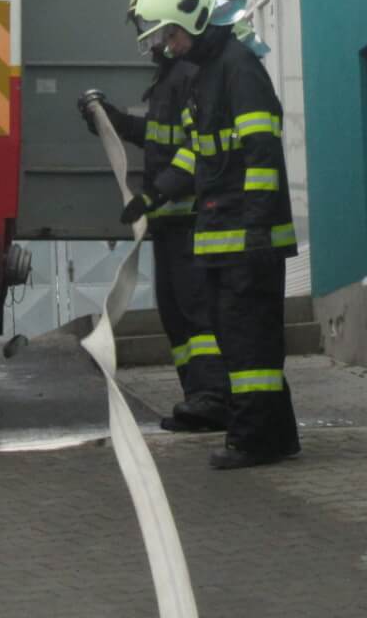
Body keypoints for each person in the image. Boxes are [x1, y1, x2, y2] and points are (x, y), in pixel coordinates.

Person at [123, 0, 299, 470]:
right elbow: (196, 155)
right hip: (223, 233)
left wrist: (258, 226)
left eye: (170, 35)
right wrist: (154, 195)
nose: (168, 46)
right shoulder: (205, 73)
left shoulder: (237, 67)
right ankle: (276, 434)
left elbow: (261, 151)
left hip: (248, 236)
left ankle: (251, 439)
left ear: (188, 21)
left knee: (248, 343)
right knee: (241, 339)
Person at [79, 28, 230, 434]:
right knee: (175, 314)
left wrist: (154, 195)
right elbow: (160, 137)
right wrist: (114, 122)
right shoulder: (170, 80)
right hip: (170, 222)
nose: (150, 45)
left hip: (191, 218)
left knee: (196, 314)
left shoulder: (189, 75)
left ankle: (214, 397)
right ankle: (197, 396)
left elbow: (194, 149)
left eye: (155, 34)